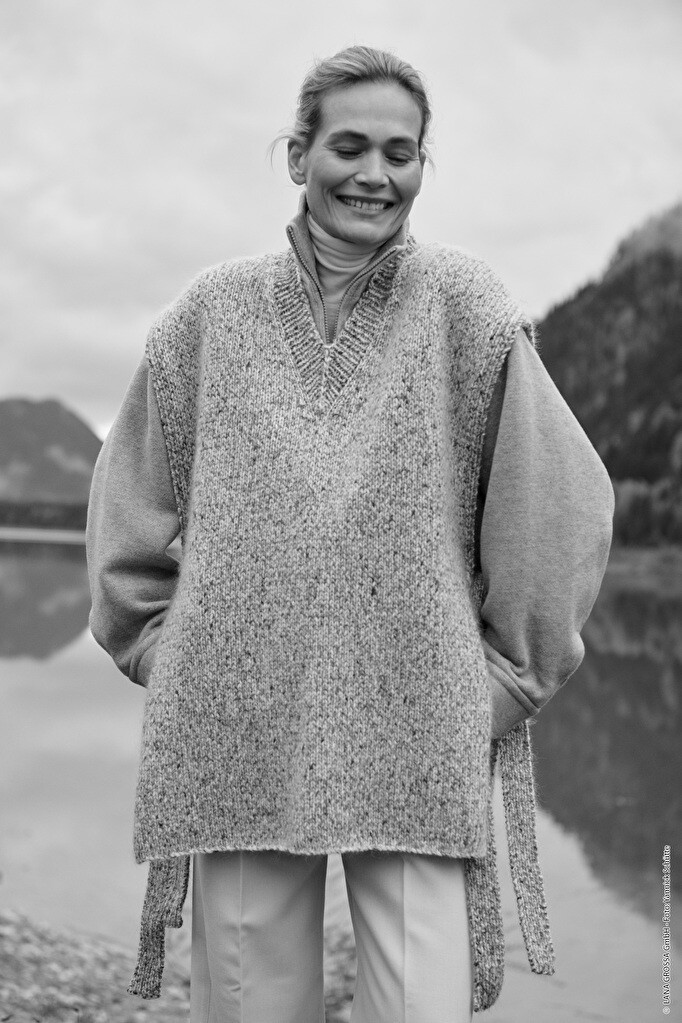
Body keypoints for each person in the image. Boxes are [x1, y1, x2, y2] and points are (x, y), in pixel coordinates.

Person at [86, 45, 614, 1023]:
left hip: (422, 719)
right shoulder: (209, 314)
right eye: (350, 146)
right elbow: (129, 503)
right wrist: (171, 654)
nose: (375, 173)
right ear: (299, 156)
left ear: (421, 166)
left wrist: (504, 684)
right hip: (233, 726)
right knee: (247, 1003)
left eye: (400, 153)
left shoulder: (465, 306)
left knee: (420, 1006)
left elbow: (560, 506)